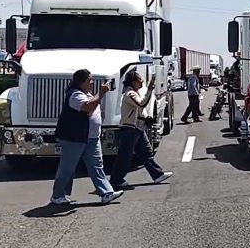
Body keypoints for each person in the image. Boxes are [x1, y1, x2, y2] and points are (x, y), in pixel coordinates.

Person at [51, 69, 123, 205]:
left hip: (91, 137)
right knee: (67, 168)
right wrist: (101, 93)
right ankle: (58, 195)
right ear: (81, 82)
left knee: (97, 166)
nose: (92, 82)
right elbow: (87, 107)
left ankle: (106, 192)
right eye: (90, 80)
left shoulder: (87, 93)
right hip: (75, 137)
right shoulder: (74, 95)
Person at [110, 70, 173, 190]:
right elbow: (141, 104)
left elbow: (138, 111)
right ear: (133, 82)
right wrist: (149, 89)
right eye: (139, 80)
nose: (142, 82)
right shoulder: (130, 94)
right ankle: (116, 180)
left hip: (137, 128)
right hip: (130, 129)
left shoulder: (134, 92)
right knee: (125, 156)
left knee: (146, 153)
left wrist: (146, 118)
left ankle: (157, 175)